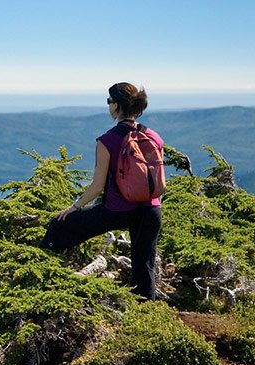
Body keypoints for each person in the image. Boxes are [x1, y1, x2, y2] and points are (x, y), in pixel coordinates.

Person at [38, 82, 163, 300]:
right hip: (152, 209)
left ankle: (46, 275)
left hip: (118, 210)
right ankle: (147, 314)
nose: (108, 106)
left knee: (60, 226)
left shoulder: (107, 140)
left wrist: (74, 207)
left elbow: (97, 186)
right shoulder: (153, 136)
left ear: (117, 106)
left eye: (109, 101)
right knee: (144, 267)